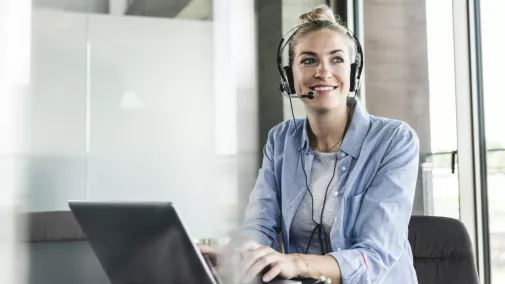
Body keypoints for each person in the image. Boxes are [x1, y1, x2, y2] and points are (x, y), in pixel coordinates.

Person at [200, 4, 419, 284]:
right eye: (308, 60)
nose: (323, 72)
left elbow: (373, 256)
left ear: (353, 71)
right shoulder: (281, 140)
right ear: (289, 77)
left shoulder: (394, 140)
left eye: (336, 59)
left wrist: (296, 262)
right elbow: (260, 225)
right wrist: (237, 253)